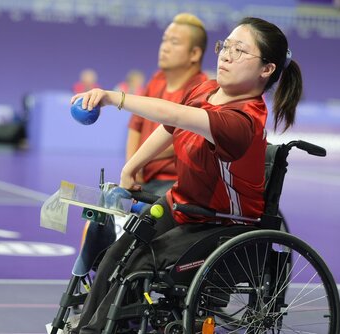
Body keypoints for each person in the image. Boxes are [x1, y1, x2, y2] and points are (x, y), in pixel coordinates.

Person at [69, 16, 303, 334]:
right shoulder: (205, 89)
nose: (227, 54)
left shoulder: (243, 120)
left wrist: (115, 98)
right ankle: (88, 328)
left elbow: (176, 114)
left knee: (140, 265)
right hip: (182, 205)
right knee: (115, 255)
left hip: (221, 223)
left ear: (267, 69)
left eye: (240, 50)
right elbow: (171, 127)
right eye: (227, 46)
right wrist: (131, 166)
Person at [126, 13, 208, 196]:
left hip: (174, 183)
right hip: (143, 178)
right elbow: (135, 124)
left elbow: (184, 139)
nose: (164, 48)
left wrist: (139, 160)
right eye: (164, 40)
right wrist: (131, 164)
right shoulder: (157, 80)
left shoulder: (202, 89)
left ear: (194, 53)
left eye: (174, 42)